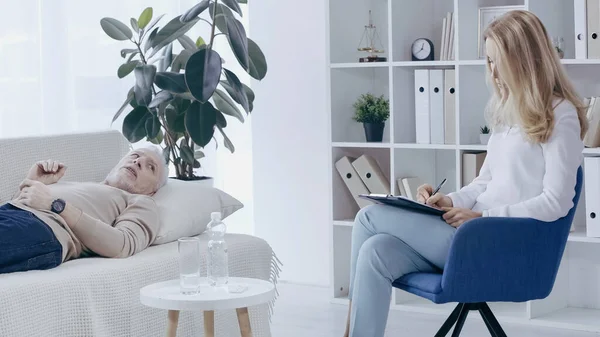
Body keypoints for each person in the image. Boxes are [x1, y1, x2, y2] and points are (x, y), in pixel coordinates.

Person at [343, 10, 588, 337]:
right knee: (376, 252)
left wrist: (483, 216)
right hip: (471, 231)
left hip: (496, 241)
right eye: (488, 61)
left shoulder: (561, 114)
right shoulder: (508, 111)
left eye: (497, 60)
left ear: (524, 59)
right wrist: (449, 200)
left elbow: (557, 202)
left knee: (368, 219)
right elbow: (484, 183)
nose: (493, 71)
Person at [0, 146, 169, 274]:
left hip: (42, 229)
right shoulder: (86, 186)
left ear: (153, 190)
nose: (138, 162)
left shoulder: (142, 202)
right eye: (135, 156)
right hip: (10, 213)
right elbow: (19, 206)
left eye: (150, 167)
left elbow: (122, 245)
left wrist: (55, 205)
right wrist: (32, 181)